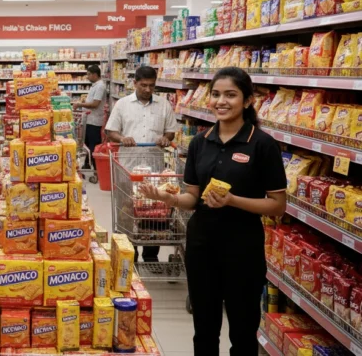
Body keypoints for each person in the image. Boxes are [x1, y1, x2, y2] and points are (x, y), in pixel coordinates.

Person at [139, 67, 286, 355]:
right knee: (204, 328)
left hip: (242, 246)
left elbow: (277, 206)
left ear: (247, 100)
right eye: (216, 94)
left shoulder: (262, 144)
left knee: (243, 330)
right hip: (201, 244)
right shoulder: (200, 142)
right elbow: (193, 198)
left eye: (230, 95)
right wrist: (167, 198)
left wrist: (232, 200)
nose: (221, 101)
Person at [105, 65, 178, 264]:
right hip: (128, 168)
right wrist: (122, 138)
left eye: (151, 86)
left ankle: (150, 254)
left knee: (154, 211)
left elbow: (171, 131)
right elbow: (110, 131)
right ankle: (130, 252)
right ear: (135, 83)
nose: (147, 89)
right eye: (143, 85)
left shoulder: (164, 105)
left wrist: (165, 138)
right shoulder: (122, 104)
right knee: (127, 209)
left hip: (154, 168)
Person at [72, 64, 106, 166]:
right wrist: (84, 102)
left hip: (94, 121)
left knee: (93, 144)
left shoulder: (100, 86)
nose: (87, 77)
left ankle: (95, 167)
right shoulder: (95, 85)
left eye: (89, 74)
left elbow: (95, 104)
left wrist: (80, 104)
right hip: (89, 120)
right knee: (87, 143)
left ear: (95, 75)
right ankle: (87, 164)